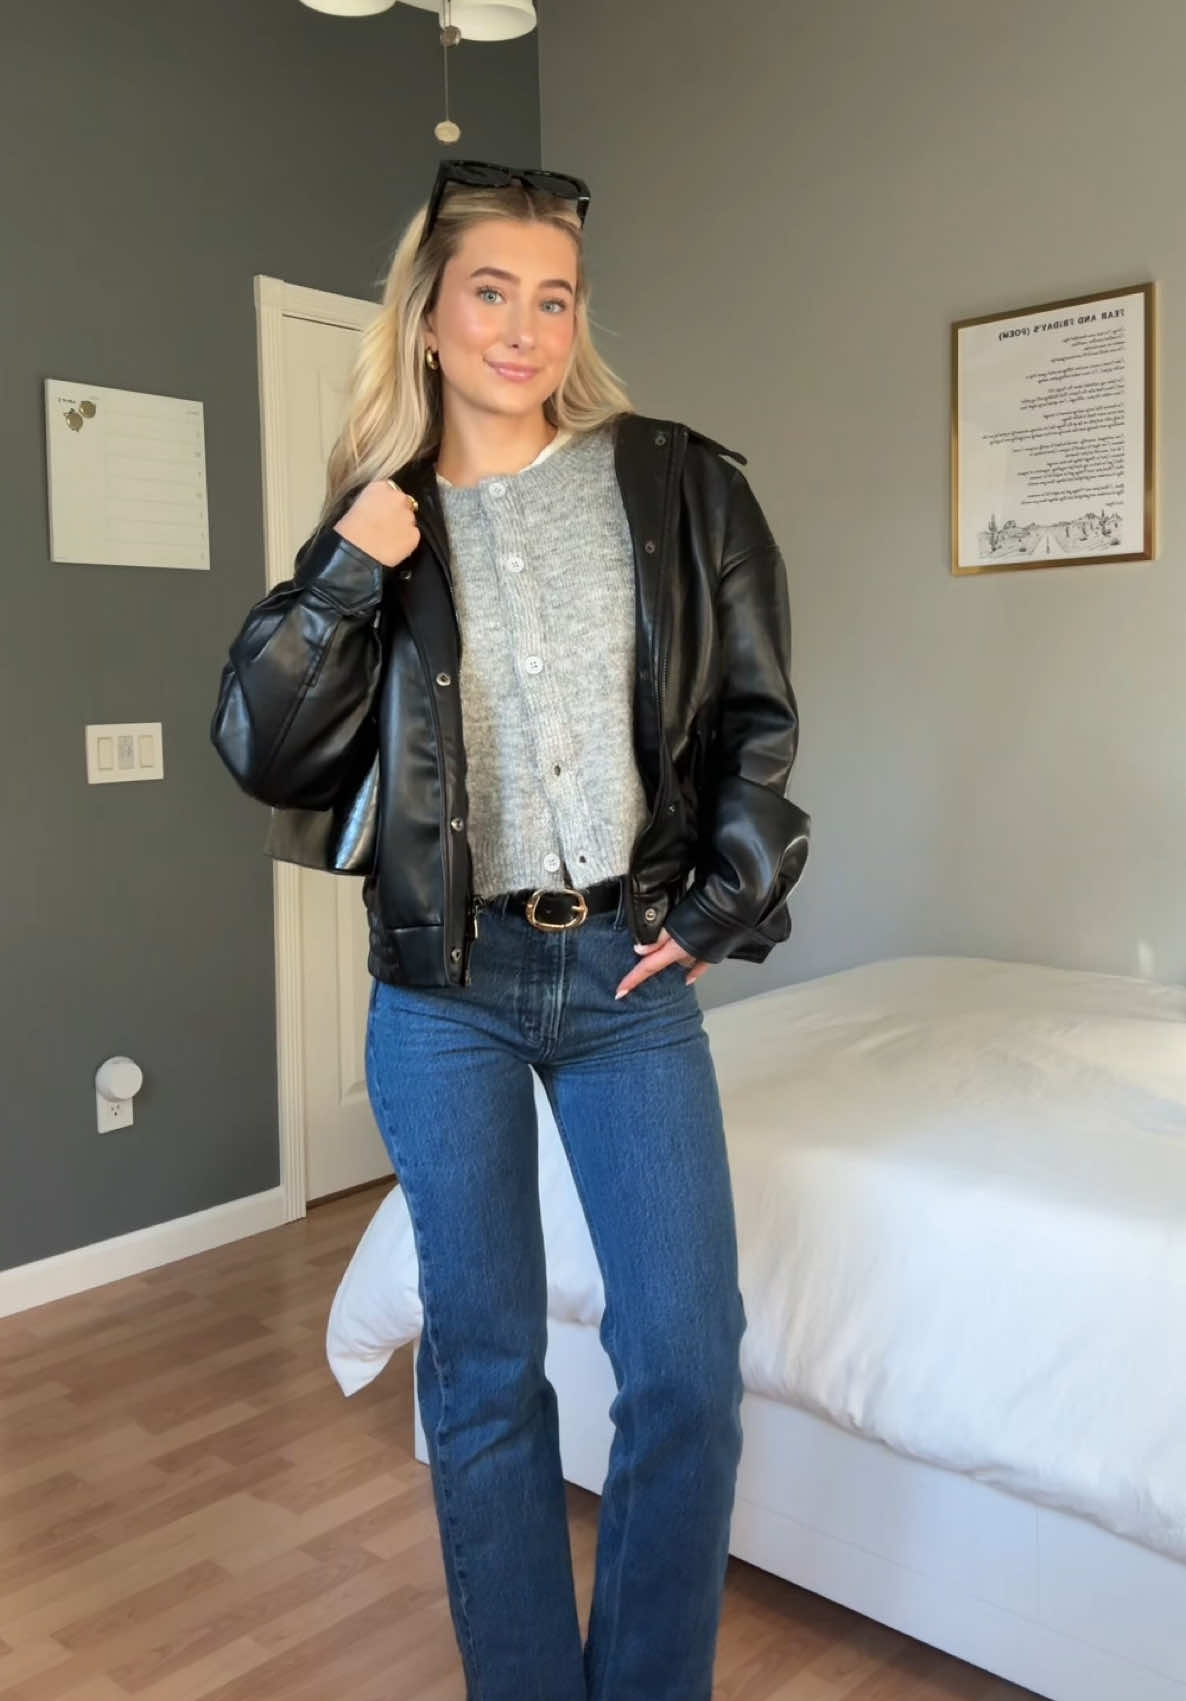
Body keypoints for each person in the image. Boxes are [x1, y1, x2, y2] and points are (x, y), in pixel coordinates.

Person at [211, 157, 809, 1701]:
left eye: (554, 298)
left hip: (625, 972)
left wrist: (722, 903)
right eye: (491, 292)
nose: (524, 328)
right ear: (427, 315)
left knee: (686, 1366)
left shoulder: (675, 482)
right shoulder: (379, 524)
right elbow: (265, 746)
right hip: (445, 986)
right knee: (483, 1372)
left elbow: (754, 719)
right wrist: (347, 570)